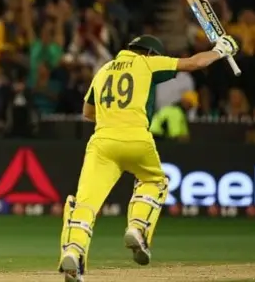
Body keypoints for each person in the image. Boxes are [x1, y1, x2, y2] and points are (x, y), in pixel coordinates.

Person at [57, 34, 239, 281]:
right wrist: (221, 49)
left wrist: (114, 117)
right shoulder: (147, 63)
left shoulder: (103, 70)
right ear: (151, 53)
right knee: (155, 182)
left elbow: (88, 112)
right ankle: (137, 228)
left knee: (85, 204)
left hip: (102, 143)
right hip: (136, 138)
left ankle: (73, 253)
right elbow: (195, 63)